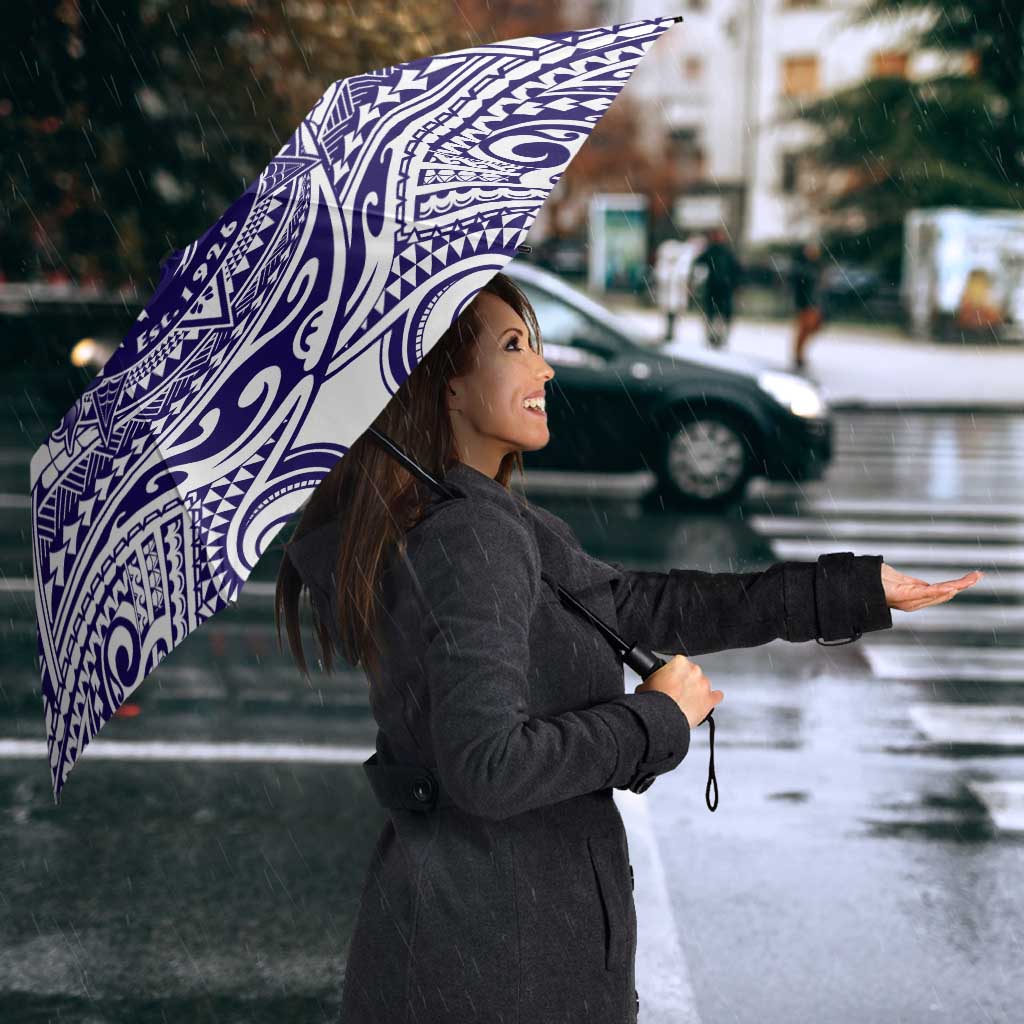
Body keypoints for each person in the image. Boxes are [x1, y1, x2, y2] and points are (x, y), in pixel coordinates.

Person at [276, 271, 979, 1024]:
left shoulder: (471, 518)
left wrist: (849, 591)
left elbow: (638, 606)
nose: (545, 368)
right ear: (446, 385)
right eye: (514, 347)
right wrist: (655, 719)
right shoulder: (471, 536)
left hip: (475, 940)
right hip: (500, 962)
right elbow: (487, 767)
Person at [692, 226, 742, 349]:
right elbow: (698, 263)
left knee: (719, 315)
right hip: (716, 288)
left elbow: (736, 270)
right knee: (714, 314)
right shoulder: (714, 251)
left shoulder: (724, 252)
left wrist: (735, 284)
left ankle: (719, 337)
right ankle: (713, 337)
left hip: (722, 289)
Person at [790, 239, 826, 370]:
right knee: (804, 329)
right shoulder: (802, 267)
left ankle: (799, 354)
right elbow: (799, 286)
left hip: (814, 303)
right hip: (805, 303)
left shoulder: (816, 266)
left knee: (812, 327)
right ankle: (798, 355)